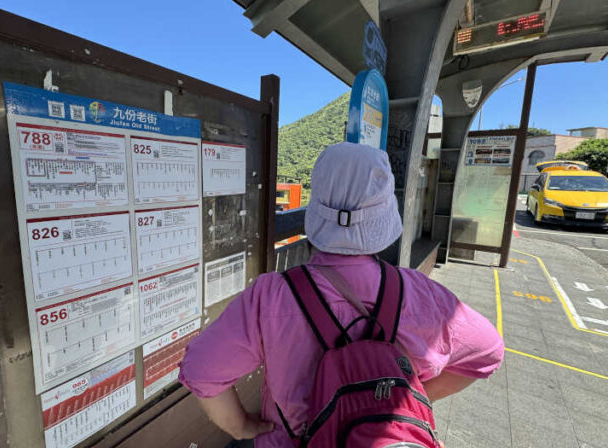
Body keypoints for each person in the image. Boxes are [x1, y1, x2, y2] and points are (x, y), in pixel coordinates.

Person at [179, 142, 504, 446]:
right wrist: (408, 400)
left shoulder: (272, 295)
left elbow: (200, 369)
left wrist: (241, 426)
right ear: (383, 216)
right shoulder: (419, 292)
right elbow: (488, 350)